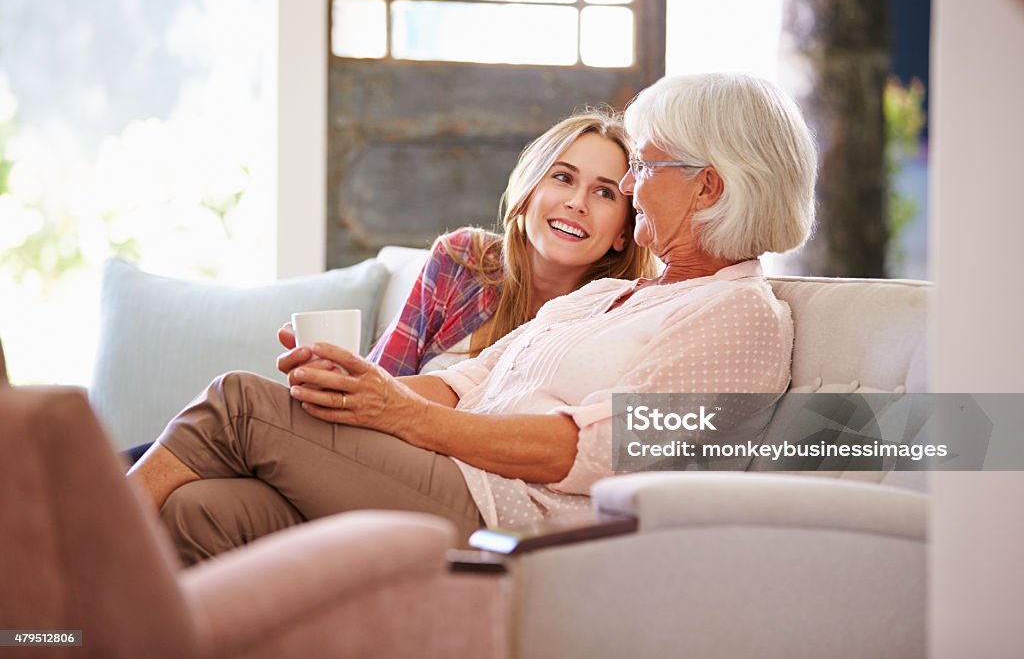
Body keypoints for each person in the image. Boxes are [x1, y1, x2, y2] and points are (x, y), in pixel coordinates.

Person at [129, 73, 818, 565]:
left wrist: (398, 417)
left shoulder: (740, 316)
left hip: (515, 520)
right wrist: (361, 389)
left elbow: (587, 452)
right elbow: (468, 383)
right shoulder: (614, 296)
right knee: (202, 512)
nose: (632, 185)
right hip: (455, 479)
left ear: (709, 185)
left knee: (238, 403)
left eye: (643, 165)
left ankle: (44, 569)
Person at [369, 108, 655, 376]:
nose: (577, 203)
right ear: (529, 191)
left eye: (604, 193)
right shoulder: (462, 259)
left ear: (624, 232)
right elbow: (381, 380)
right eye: (563, 177)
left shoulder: (625, 319)